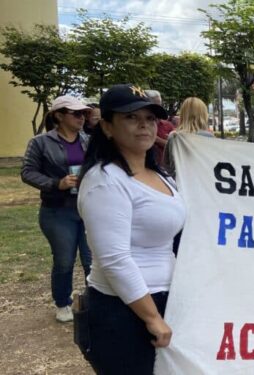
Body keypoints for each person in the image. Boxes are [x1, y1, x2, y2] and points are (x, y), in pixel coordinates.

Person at [77, 84, 186, 373]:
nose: (144, 125)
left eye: (150, 119)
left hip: (167, 299)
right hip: (125, 310)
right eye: (131, 118)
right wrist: (151, 317)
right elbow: (115, 259)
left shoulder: (159, 175)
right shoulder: (105, 180)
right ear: (108, 127)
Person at [21, 95, 92, 323]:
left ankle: (96, 302)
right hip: (57, 211)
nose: (82, 117)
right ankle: (63, 303)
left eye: (83, 113)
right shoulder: (40, 142)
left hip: (87, 209)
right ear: (59, 116)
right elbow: (27, 172)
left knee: (92, 260)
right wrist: (56, 184)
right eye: (76, 113)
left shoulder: (87, 140)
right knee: (64, 260)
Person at [163, 97, 214, 177]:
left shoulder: (174, 136)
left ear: (183, 114)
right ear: (203, 115)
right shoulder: (208, 137)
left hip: (178, 182)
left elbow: (166, 163)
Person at [144, 90, 175, 166]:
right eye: (155, 104)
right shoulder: (138, 125)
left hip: (164, 169)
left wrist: (157, 139)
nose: (158, 108)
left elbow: (175, 146)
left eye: (160, 104)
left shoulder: (168, 125)